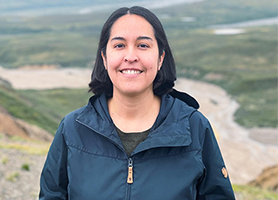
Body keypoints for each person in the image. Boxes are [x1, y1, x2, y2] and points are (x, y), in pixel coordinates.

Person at [39, 6, 235, 200]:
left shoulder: (194, 127)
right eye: (119, 45)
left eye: (143, 45)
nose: (131, 56)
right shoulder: (72, 129)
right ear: (104, 58)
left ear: (160, 58)